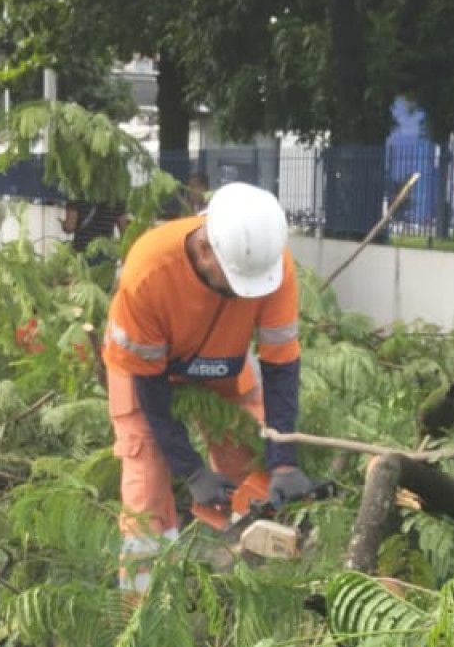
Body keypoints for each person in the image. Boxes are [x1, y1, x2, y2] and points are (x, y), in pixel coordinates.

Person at [102, 180, 315, 591]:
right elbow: (151, 392)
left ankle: (257, 587)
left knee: (251, 458)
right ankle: (142, 610)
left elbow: (282, 366)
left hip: (225, 363)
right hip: (143, 372)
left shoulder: (270, 265)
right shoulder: (149, 269)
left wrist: (283, 459)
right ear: (204, 250)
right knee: (146, 481)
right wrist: (191, 469)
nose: (244, 293)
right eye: (235, 282)